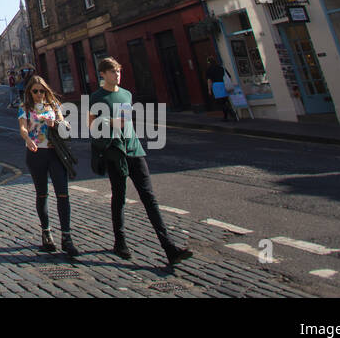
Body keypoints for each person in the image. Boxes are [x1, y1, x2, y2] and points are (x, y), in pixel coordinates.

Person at [90, 58, 192, 266]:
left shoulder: (126, 94)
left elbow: (127, 120)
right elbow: (92, 125)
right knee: (119, 197)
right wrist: (110, 122)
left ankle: (169, 248)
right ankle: (120, 241)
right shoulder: (96, 97)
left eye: (118, 71)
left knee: (149, 198)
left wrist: (124, 123)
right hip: (114, 152)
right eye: (112, 72)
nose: (117, 75)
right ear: (103, 74)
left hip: (134, 149)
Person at [18, 74, 77, 257]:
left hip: (55, 153)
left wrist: (57, 123)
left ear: (46, 90)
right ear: (29, 92)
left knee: (62, 193)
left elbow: (66, 126)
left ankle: (66, 237)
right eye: (35, 91)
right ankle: (47, 234)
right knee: (42, 194)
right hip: (36, 154)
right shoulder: (25, 108)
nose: (38, 94)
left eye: (41, 91)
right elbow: (23, 127)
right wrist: (27, 139)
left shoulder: (54, 106)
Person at [205, 56, 236, 121]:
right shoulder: (222, 68)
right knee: (225, 101)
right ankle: (225, 117)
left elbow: (209, 80)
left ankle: (231, 112)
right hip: (224, 85)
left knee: (220, 102)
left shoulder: (209, 69)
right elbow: (229, 76)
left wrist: (209, 89)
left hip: (216, 86)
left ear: (209, 62)